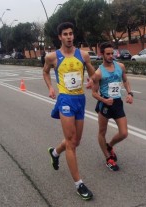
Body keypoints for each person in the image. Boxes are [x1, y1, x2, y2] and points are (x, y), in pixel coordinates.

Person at [43, 22, 95, 200]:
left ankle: (55, 152)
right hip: (65, 99)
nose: (69, 37)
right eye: (65, 34)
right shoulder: (52, 57)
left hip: (80, 99)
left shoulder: (84, 55)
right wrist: (50, 87)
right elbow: (45, 72)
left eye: (71, 33)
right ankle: (79, 184)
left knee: (76, 141)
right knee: (71, 142)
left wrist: (91, 81)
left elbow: (92, 72)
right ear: (60, 37)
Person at [92, 42, 133, 171]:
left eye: (112, 53)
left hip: (117, 103)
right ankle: (108, 158)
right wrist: (103, 99)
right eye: (108, 54)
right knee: (102, 132)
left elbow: (125, 80)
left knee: (124, 133)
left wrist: (130, 93)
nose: (111, 56)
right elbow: (94, 93)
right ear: (102, 54)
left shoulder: (120, 66)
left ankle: (109, 145)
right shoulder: (98, 73)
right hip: (105, 105)